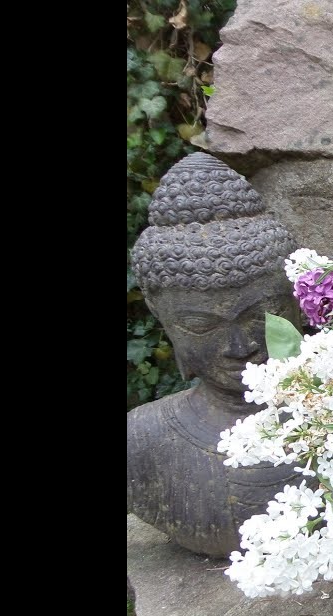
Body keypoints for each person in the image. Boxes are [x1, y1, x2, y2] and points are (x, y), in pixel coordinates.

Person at [127, 152, 301, 557]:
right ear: (163, 321)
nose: (241, 348)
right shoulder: (139, 441)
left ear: (297, 305)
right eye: (201, 325)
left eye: (262, 316)